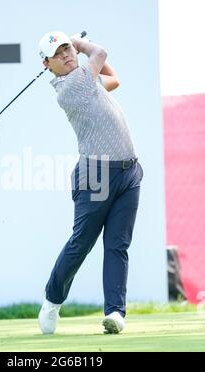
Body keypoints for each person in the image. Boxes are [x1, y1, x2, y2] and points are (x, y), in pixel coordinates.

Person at [37, 31, 143, 334]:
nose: (67, 54)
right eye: (58, 53)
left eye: (68, 48)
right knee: (82, 242)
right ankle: (52, 301)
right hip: (96, 174)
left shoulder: (87, 80)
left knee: (118, 244)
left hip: (129, 172)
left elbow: (113, 79)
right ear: (47, 64)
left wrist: (74, 47)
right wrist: (80, 42)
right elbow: (101, 53)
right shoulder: (71, 86)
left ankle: (115, 313)